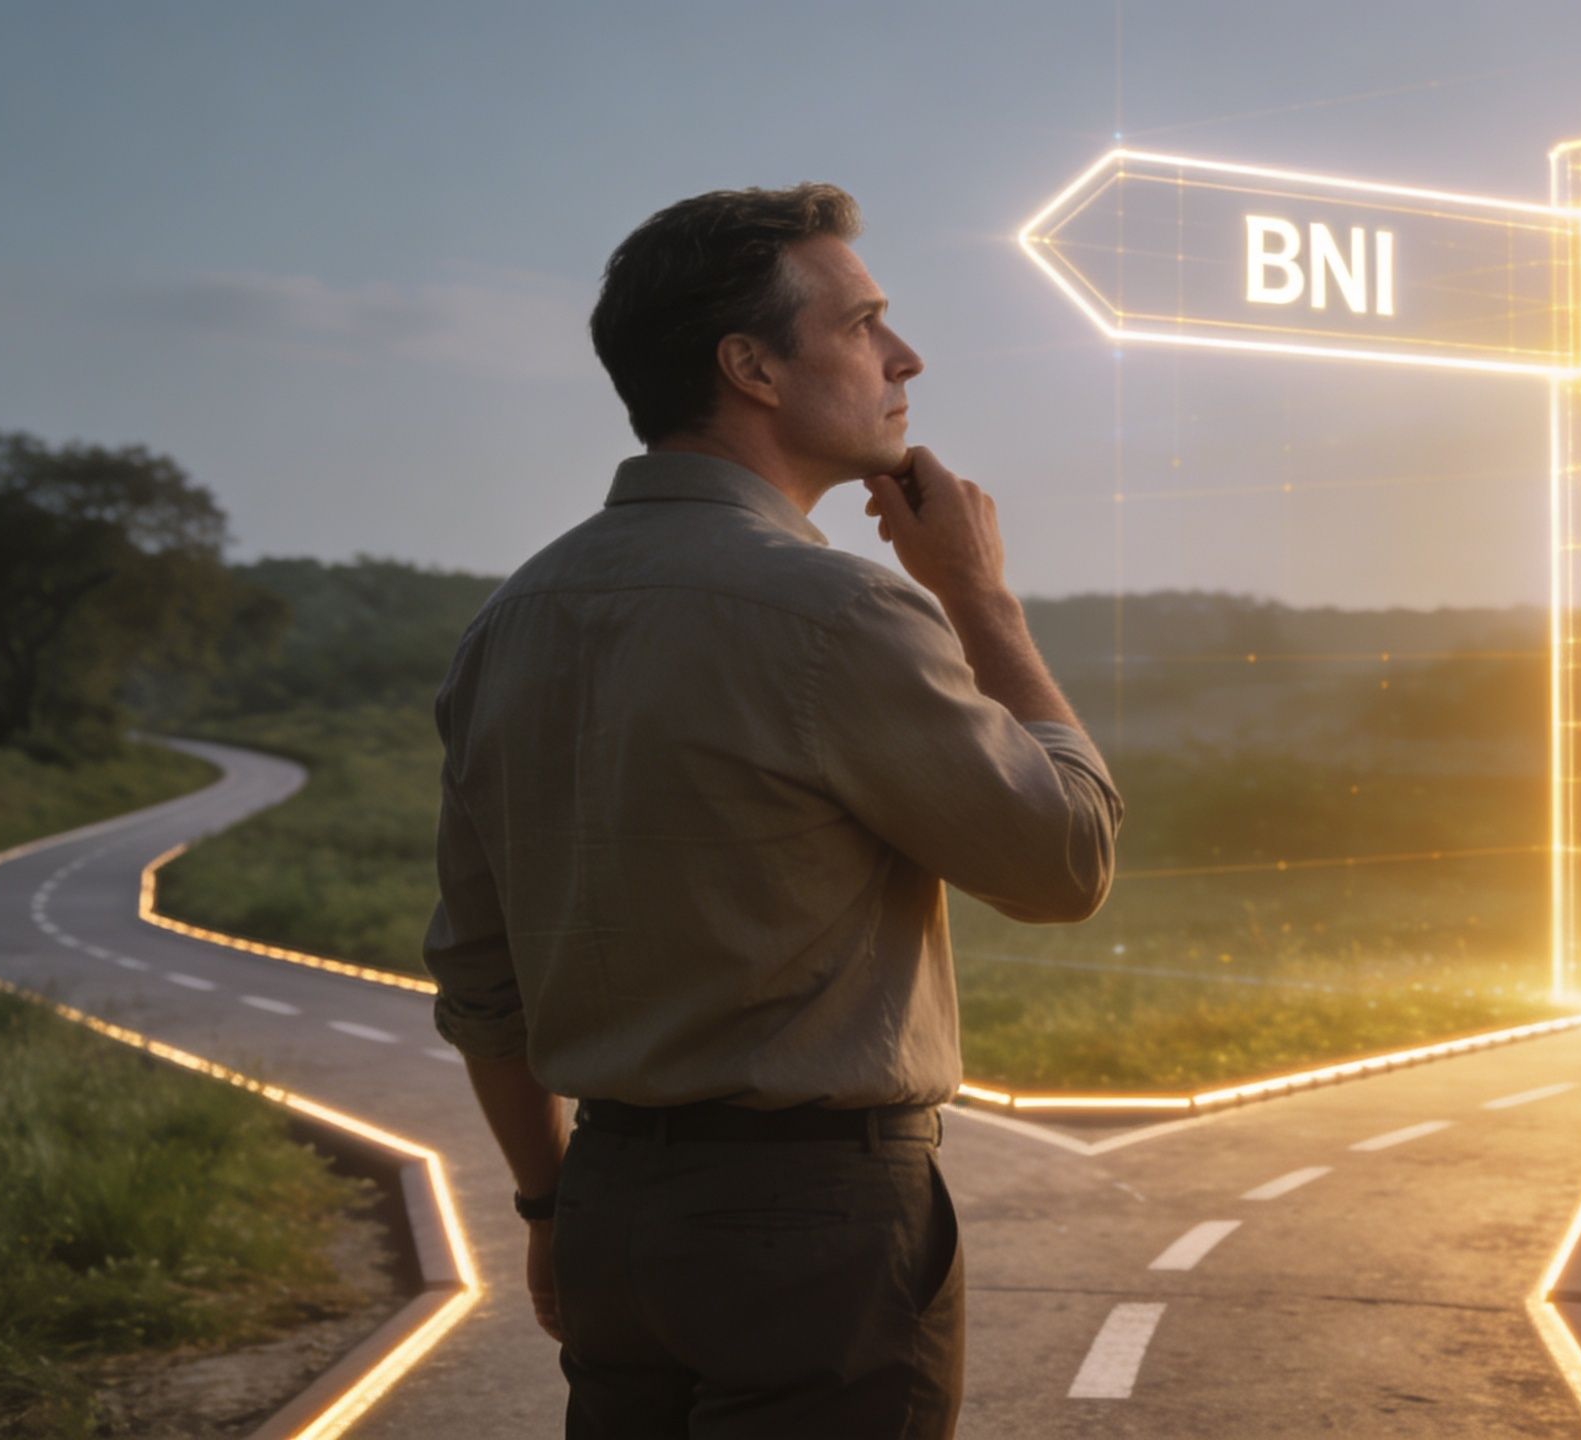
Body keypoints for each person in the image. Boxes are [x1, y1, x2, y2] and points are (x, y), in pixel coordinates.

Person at [420, 181, 1124, 1439]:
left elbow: (481, 976)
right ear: (750, 365)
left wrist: (548, 1210)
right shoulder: (839, 613)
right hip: (816, 1229)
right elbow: (1064, 861)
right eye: (864, 324)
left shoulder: (507, 623)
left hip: (608, 1212)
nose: (905, 357)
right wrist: (977, 595)